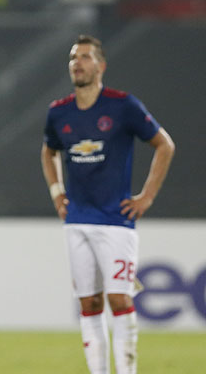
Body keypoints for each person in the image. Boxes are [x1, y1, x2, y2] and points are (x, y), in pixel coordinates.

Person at [41, 35, 175, 374]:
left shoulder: (123, 105)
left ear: (101, 66)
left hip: (116, 220)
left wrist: (147, 196)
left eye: (85, 57)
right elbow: (48, 151)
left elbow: (164, 145)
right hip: (77, 220)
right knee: (88, 302)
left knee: (119, 298)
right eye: (73, 57)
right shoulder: (58, 111)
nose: (77, 63)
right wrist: (57, 191)